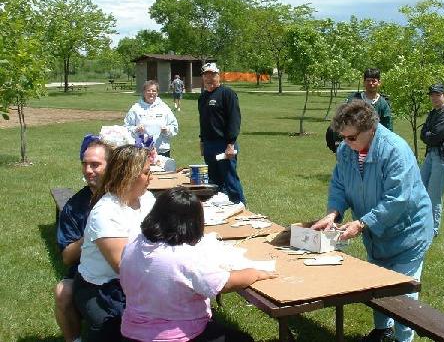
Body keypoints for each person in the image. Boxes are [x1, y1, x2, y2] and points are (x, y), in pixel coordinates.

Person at [312, 100, 433, 342]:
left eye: (351, 137)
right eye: (343, 137)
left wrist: (362, 223)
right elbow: (339, 184)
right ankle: (382, 331)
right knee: (377, 284)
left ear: (371, 129)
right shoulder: (347, 151)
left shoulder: (395, 150)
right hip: (375, 234)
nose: (346, 143)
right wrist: (333, 212)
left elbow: (397, 199)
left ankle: (402, 338)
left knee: (403, 293)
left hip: (408, 233)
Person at [120, 187, 277, 342]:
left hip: (133, 330)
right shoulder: (183, 257)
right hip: (176, 334)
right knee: (243, 339)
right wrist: (254, 273)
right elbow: (224, 283)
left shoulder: (134, 242)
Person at [73, 145, 156, 342]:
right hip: (101, 286)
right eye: (146, 172)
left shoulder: (147, 200)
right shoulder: (106, 212)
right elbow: (122, 266)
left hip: (138, 280)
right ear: (129, 175)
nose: (151, 177)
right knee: (111, 326)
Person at [54, 136, 113, 342]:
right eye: (85, 164)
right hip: (86, 276)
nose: (88, 170)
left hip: (123, 269)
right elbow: (67, 257)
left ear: (111, 166)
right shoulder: (74, 206)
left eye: (95, 165)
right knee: (63, 291)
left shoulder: (124, 196)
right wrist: (92, 234)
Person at [198, 62, 245, 204]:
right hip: (209, 145)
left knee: (229, 178)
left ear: (218, 76)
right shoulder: (202, 97)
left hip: (224, 144)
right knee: (214, 180)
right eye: (206, 75)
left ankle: (240, 205)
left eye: (212, 75)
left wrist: (231, 144)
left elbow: (234, 120)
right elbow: (203, 121)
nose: (209, 78)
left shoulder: (227, 94)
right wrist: (202, 141)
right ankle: (221, 206)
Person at [420, 84, 444, 237]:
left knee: (434, 196)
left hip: (442, 157)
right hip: (431, 154)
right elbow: (423, 134)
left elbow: (437, 136)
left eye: (438, 95)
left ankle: (433, 229)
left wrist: (429, 135)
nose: (434, 98)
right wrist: (429, 134)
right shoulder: (434, 113)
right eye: (432, 95)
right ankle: (422, 223)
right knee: (421, 189)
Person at [326, 68, 393, 153]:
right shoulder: (353, 99)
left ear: (379, 82)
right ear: (364, 82)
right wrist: (339, 144)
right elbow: (340, 121)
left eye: (374, 81)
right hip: (351, 148)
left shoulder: (383, 104)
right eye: (368, 80)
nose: (371, 83)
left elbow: (388, 128)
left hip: (372, 149)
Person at [125, 80, 179, 158]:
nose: (151, 93)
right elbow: (126, 128)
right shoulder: (135, 108)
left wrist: (167, 129)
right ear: (144, 92)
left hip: (161, 149)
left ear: (157, 93)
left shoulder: (164, 108)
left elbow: (174, 126)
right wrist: (136, 129)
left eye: (154, 91)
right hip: (141, 150)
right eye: (148, 91)